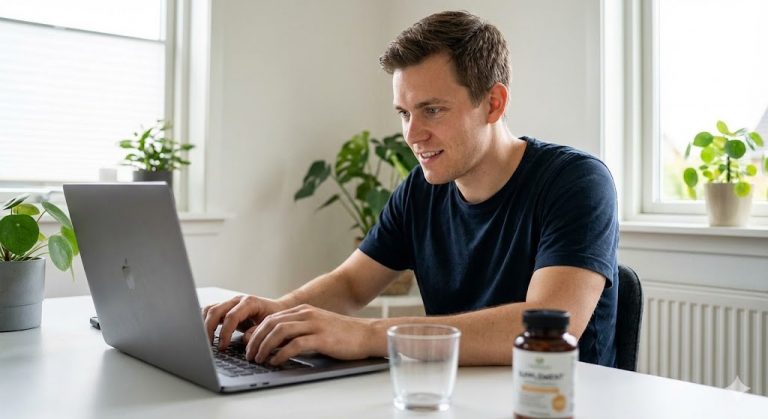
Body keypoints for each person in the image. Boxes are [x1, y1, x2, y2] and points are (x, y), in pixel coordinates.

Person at [203, 10, 619, 367]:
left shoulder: (577, 182)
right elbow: (350, 285)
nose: (411, 134)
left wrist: (366, 335)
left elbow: (546, 322)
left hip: (560, 400)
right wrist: (277, 310)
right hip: (458, 394)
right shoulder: (422, 190)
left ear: (493, 103)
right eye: (404, 113)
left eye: (432, 110)